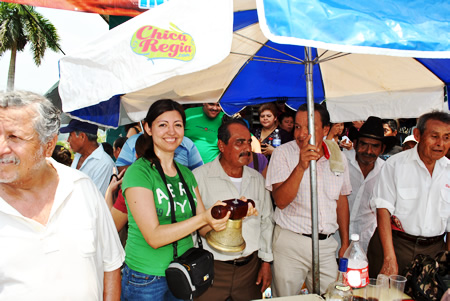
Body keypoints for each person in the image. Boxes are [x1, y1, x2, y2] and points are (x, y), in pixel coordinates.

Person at [120, 99, 256, 300]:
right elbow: (154, 237)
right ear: (148, 128)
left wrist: (233, 212)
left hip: (184, 272)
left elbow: (204, 227)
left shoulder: (186, 174)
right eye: (162, 125)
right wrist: (205, 218)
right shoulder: (138, 173)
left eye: (177, 125)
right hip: (145, 277)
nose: (171, 132)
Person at [0, 91, 124, 300]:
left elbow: (111, 264)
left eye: (14, 137)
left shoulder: (81, 188)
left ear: (48, 145)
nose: (2, 148)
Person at [266, 103, 352, 296]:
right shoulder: (282, 154)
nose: (301, 134)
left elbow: (341, 200)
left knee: (332, 296)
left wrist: (345, 241)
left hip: (326, 245)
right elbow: (280, 200)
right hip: (291, 243)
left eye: (309, 127)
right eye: (297, 127)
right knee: (287, 299)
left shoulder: (337, 157)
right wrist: (301, 166)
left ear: (326, 129)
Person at [193, 119, 274, 301]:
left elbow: (266, 221)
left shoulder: (257, 179)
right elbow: (192, 226)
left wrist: (266, 262)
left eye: (248, 141)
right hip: (212, 269)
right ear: (221, 145)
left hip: (250, 270)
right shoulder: (199, 178)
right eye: (239, 142)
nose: (246, 148)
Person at [367, 111, 450, 277]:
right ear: (417, 135)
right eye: (434, 136)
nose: (440, 143)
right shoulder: (396, 165)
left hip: (434, 250)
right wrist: (389, 257)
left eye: (447, 137)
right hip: (396, 245)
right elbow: (383, 210)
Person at [334, 116, 396, 253]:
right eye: (364, 144)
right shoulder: (341, 162)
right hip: (333, 239)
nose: (368, 151)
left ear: (382, 149)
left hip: (365, 243)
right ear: (355, 143)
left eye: (375, 146)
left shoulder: (385, 171)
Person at [60, 119, 115, 195]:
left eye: (70, 135)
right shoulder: (78, 156)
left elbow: (97, 199)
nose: (68, 140)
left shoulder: (104, 164)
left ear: (82, 136)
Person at [116, 131, 203, 172]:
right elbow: (120, 167)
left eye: (177, 124)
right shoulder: (133, 141)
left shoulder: (187, 144)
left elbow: (199, 171)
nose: (170, 128)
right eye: (162, 124)